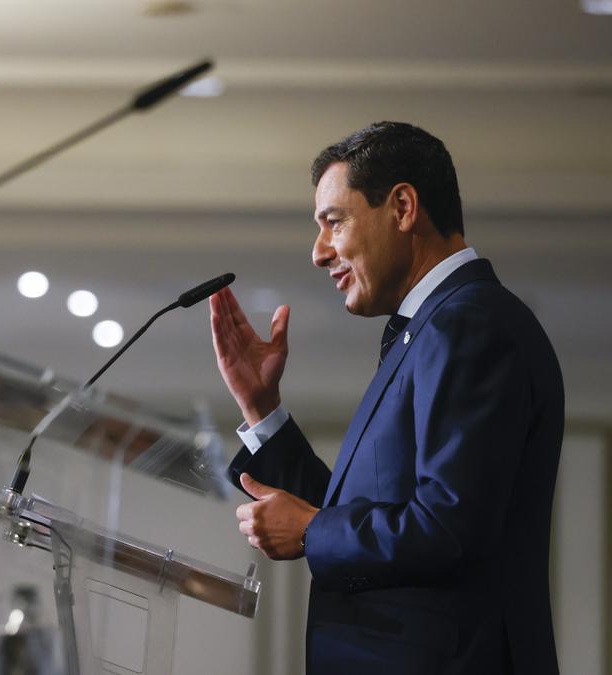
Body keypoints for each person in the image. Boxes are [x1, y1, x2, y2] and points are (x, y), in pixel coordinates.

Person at [208, 121, 564, 674]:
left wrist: (309, 531)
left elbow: (447, 527)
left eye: (334, 222)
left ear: (402, 207)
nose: (318, 252)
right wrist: (262, 409)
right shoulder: (434, 327)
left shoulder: (469, 324)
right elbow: (370, 518)